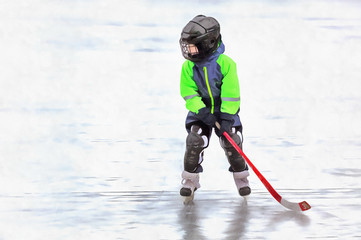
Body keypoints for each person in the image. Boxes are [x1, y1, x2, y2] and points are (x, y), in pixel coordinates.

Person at [179, 15, 251, 200]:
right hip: (200, 111)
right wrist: (200, 110)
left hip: (224, 111)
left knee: (232, 141)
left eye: (193, 46)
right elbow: (188, 91)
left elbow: (231, 93)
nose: (189, 51)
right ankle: (190, 180)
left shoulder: (226, 64)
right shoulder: (188, 67)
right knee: (194, 141)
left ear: (209, 43)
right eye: (187, 46)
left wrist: (226, 117)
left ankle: (241, 176)